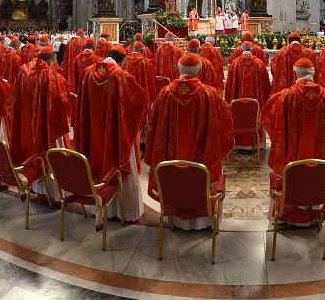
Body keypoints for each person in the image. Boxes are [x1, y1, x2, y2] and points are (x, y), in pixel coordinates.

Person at [145, 53, 234, 228]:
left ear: (178, 70)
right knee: (202, 171)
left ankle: (174, 215)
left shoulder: (165, 93)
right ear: (199, 71)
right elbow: (225, 123)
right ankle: (202, 221)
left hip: (171, 157)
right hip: (202, 158)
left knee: (172, 169)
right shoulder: (209, 94)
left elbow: (155, 126)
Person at [262, 58, 325, 220]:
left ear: (294, 74)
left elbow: (269, 119)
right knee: (318, 170)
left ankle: (289, 210)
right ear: (314, 74)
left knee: (291, 169)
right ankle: (315, 204)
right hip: (320, 154)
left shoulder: (285, 96)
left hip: (292, 155)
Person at [75, 44, 147, 222]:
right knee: (121, 162)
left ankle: (98, 206)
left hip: (94, 133)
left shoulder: (87, 73)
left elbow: (81, 103)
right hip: (117, 134)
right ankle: (127, 212)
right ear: (122, 61)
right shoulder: (122, 77)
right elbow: (139, 101)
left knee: (96, 163)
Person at [225, 41, 271, 107]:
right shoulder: (259, 63)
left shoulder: (234, 64)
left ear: (241, 49)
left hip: (238, 100)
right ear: (252, 49)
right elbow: (265, 83)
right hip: (256, 101)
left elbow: (230, 83)